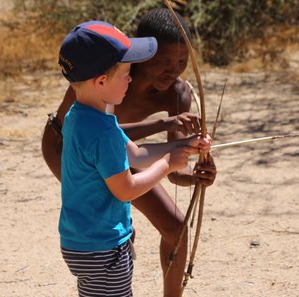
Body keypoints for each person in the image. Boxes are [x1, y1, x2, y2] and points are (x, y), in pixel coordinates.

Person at [42, 9, 217, 297]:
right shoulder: (107, 77)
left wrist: (195, 165)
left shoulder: (99, 98)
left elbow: (136, 154)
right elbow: (113, 154)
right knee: (109, 227)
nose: (172, 70)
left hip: (106, 162)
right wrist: (163, 136)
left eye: (182, 62)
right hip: (63, 149)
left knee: (169, 228)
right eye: (162, 61)